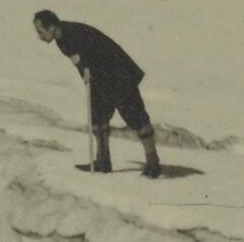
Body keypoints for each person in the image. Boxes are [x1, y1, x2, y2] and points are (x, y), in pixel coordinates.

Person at [33, 9, 163, 177]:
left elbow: (98, 54)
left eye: (40, 31)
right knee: (98, 117)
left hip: (119, 75)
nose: (39, 36)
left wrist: (90, 72)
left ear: (51, 27)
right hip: (100, 79)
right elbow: (80, 62)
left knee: (136, 117)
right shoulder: (62, 40)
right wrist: (87, 76)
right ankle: (103, 161)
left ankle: (153, 162)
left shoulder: (74, 33)